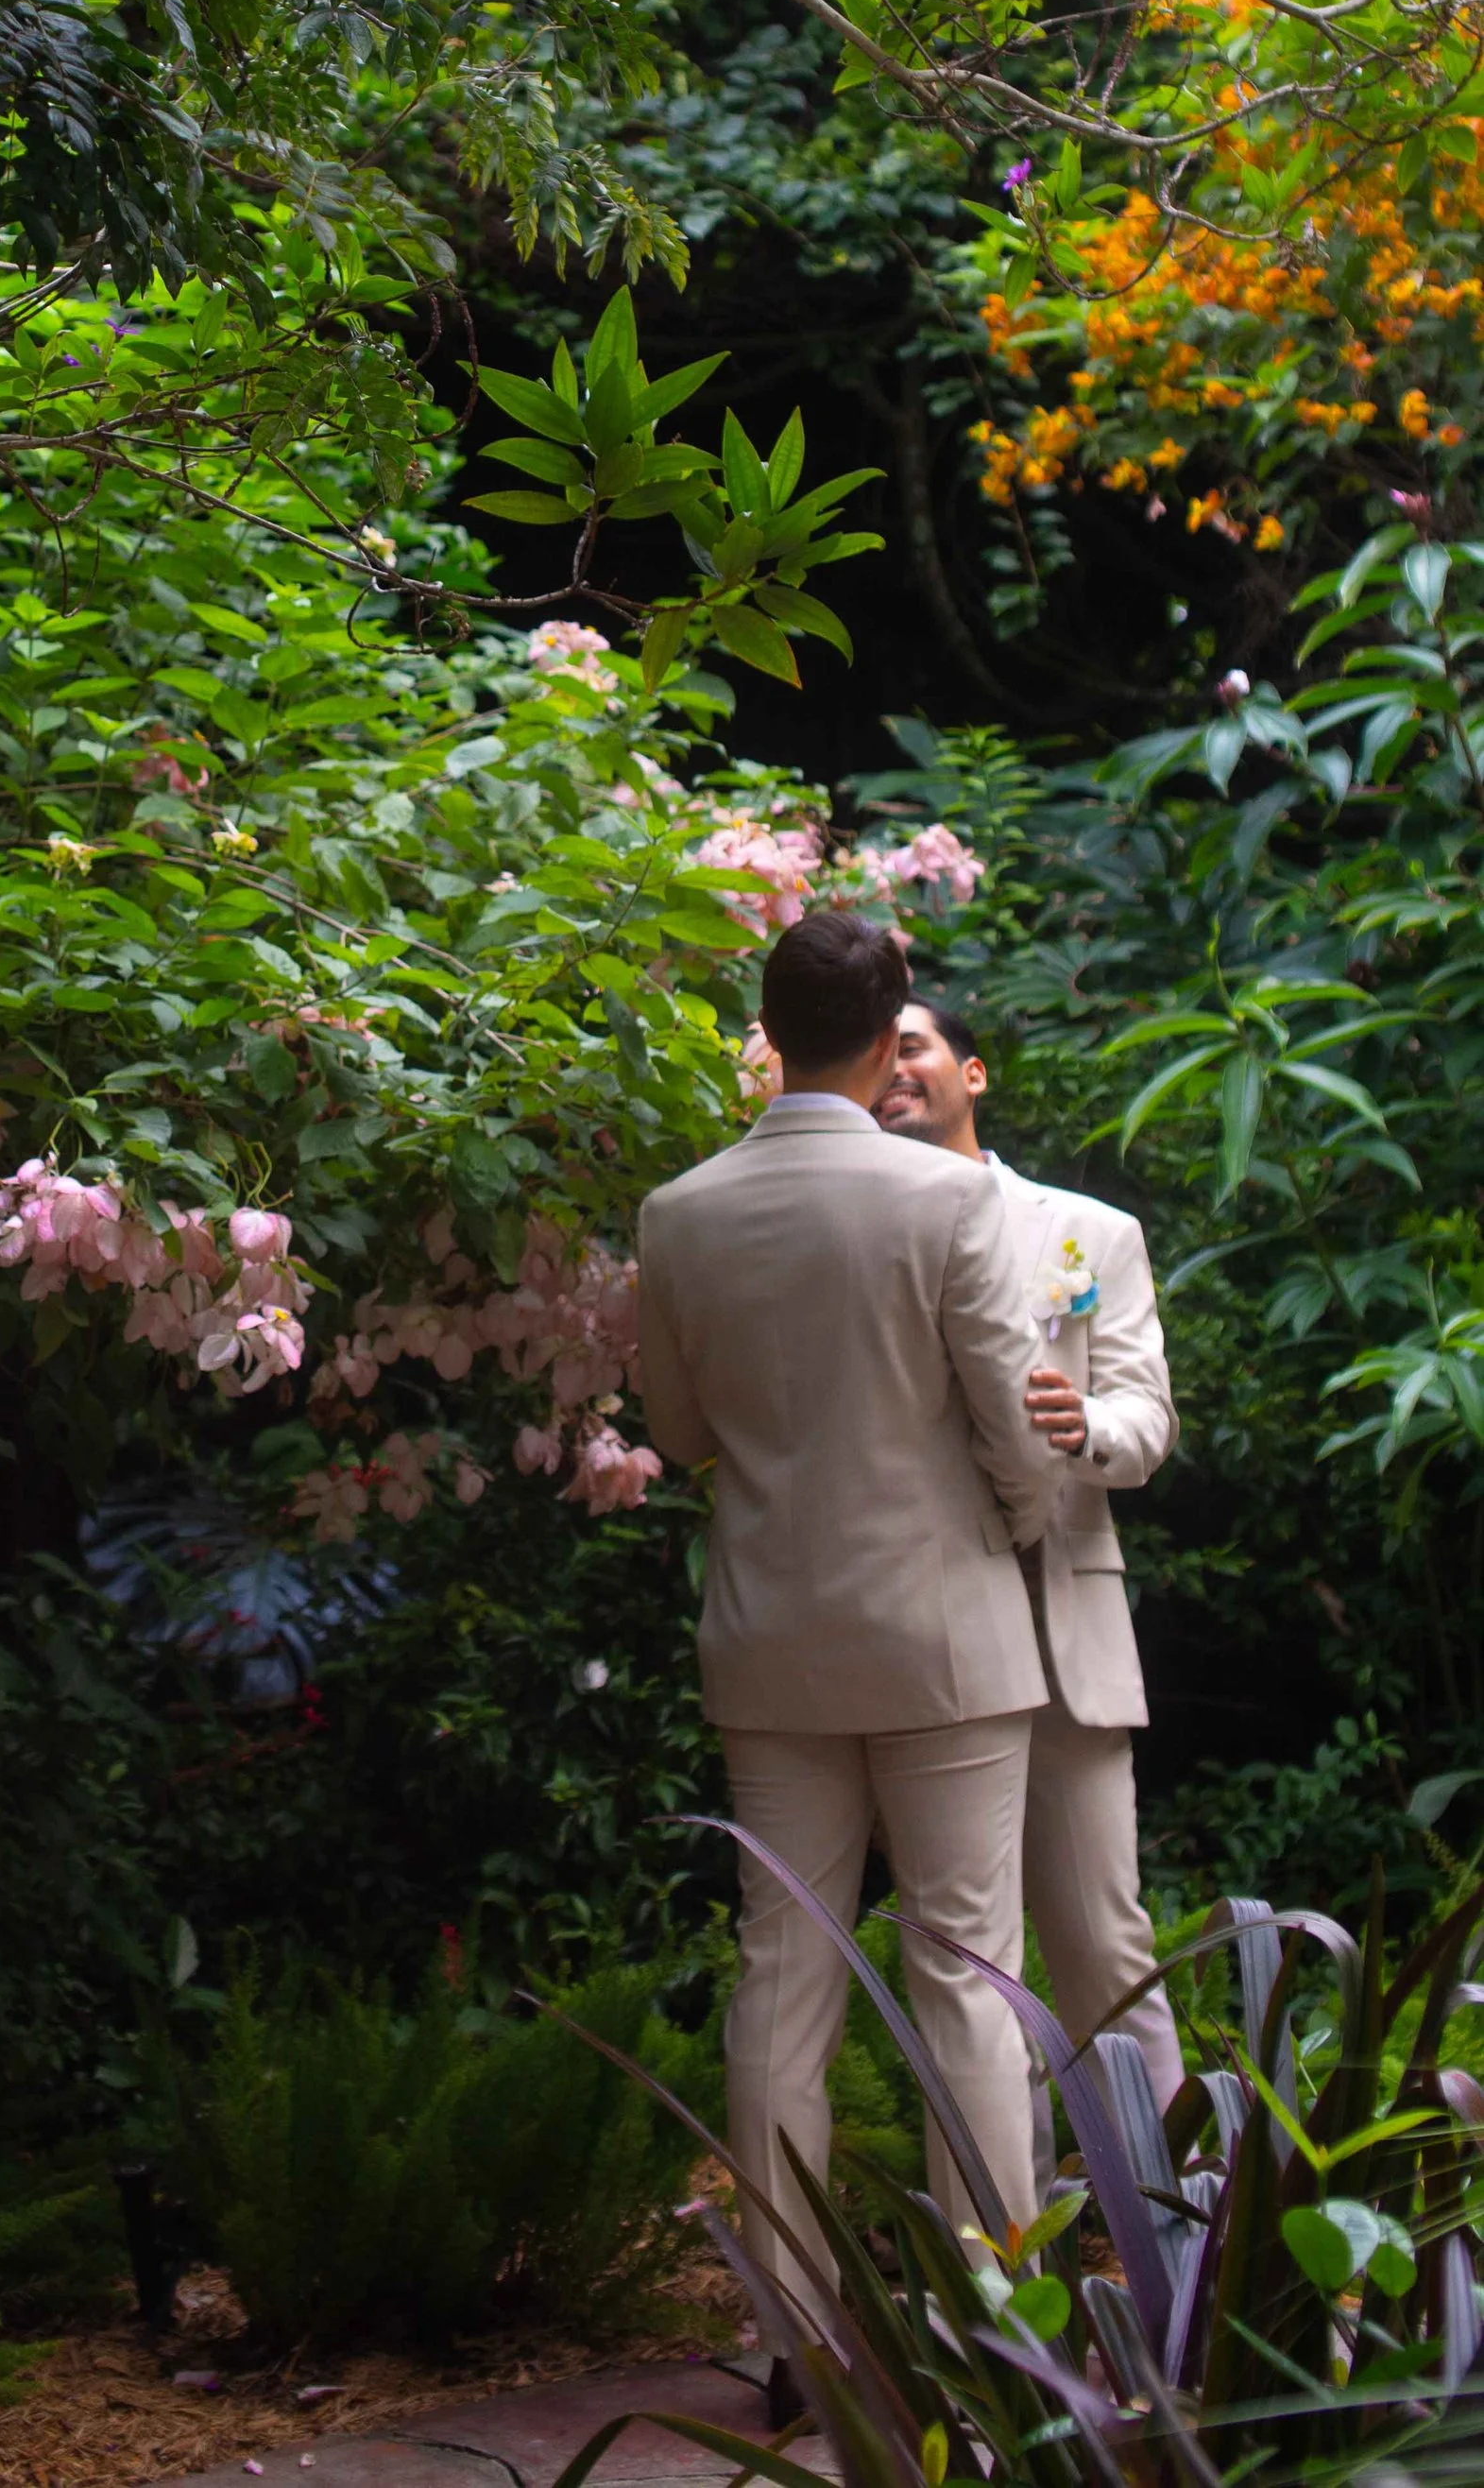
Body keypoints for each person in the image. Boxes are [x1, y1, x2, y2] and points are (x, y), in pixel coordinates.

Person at [638, 910, 1062, 2384]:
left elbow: (677, 1431)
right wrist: (1017, 1521)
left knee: (782, 1975)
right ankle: (999, 2327)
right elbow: (1016, 1426)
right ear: (893, 1039)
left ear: (767, 1031)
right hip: (947, 1634)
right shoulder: (950, 1199)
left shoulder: (679, 1211)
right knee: (969, 1972)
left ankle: (790, 2333)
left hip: (770, 1636)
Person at [876, 999, 1185, 2115]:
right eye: (877, 1051)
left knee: (1104, 1936)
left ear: (972, 1072)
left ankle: (1178, 2189)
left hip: (1060, 1628)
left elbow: (1147, 1419)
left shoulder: (1088, 1233)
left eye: (913, 1045)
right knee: (963, 1953)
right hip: (913, 1631)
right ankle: (1011, 2201)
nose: (894, 1066)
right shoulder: (853, 1239)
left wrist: (1082, 1423)